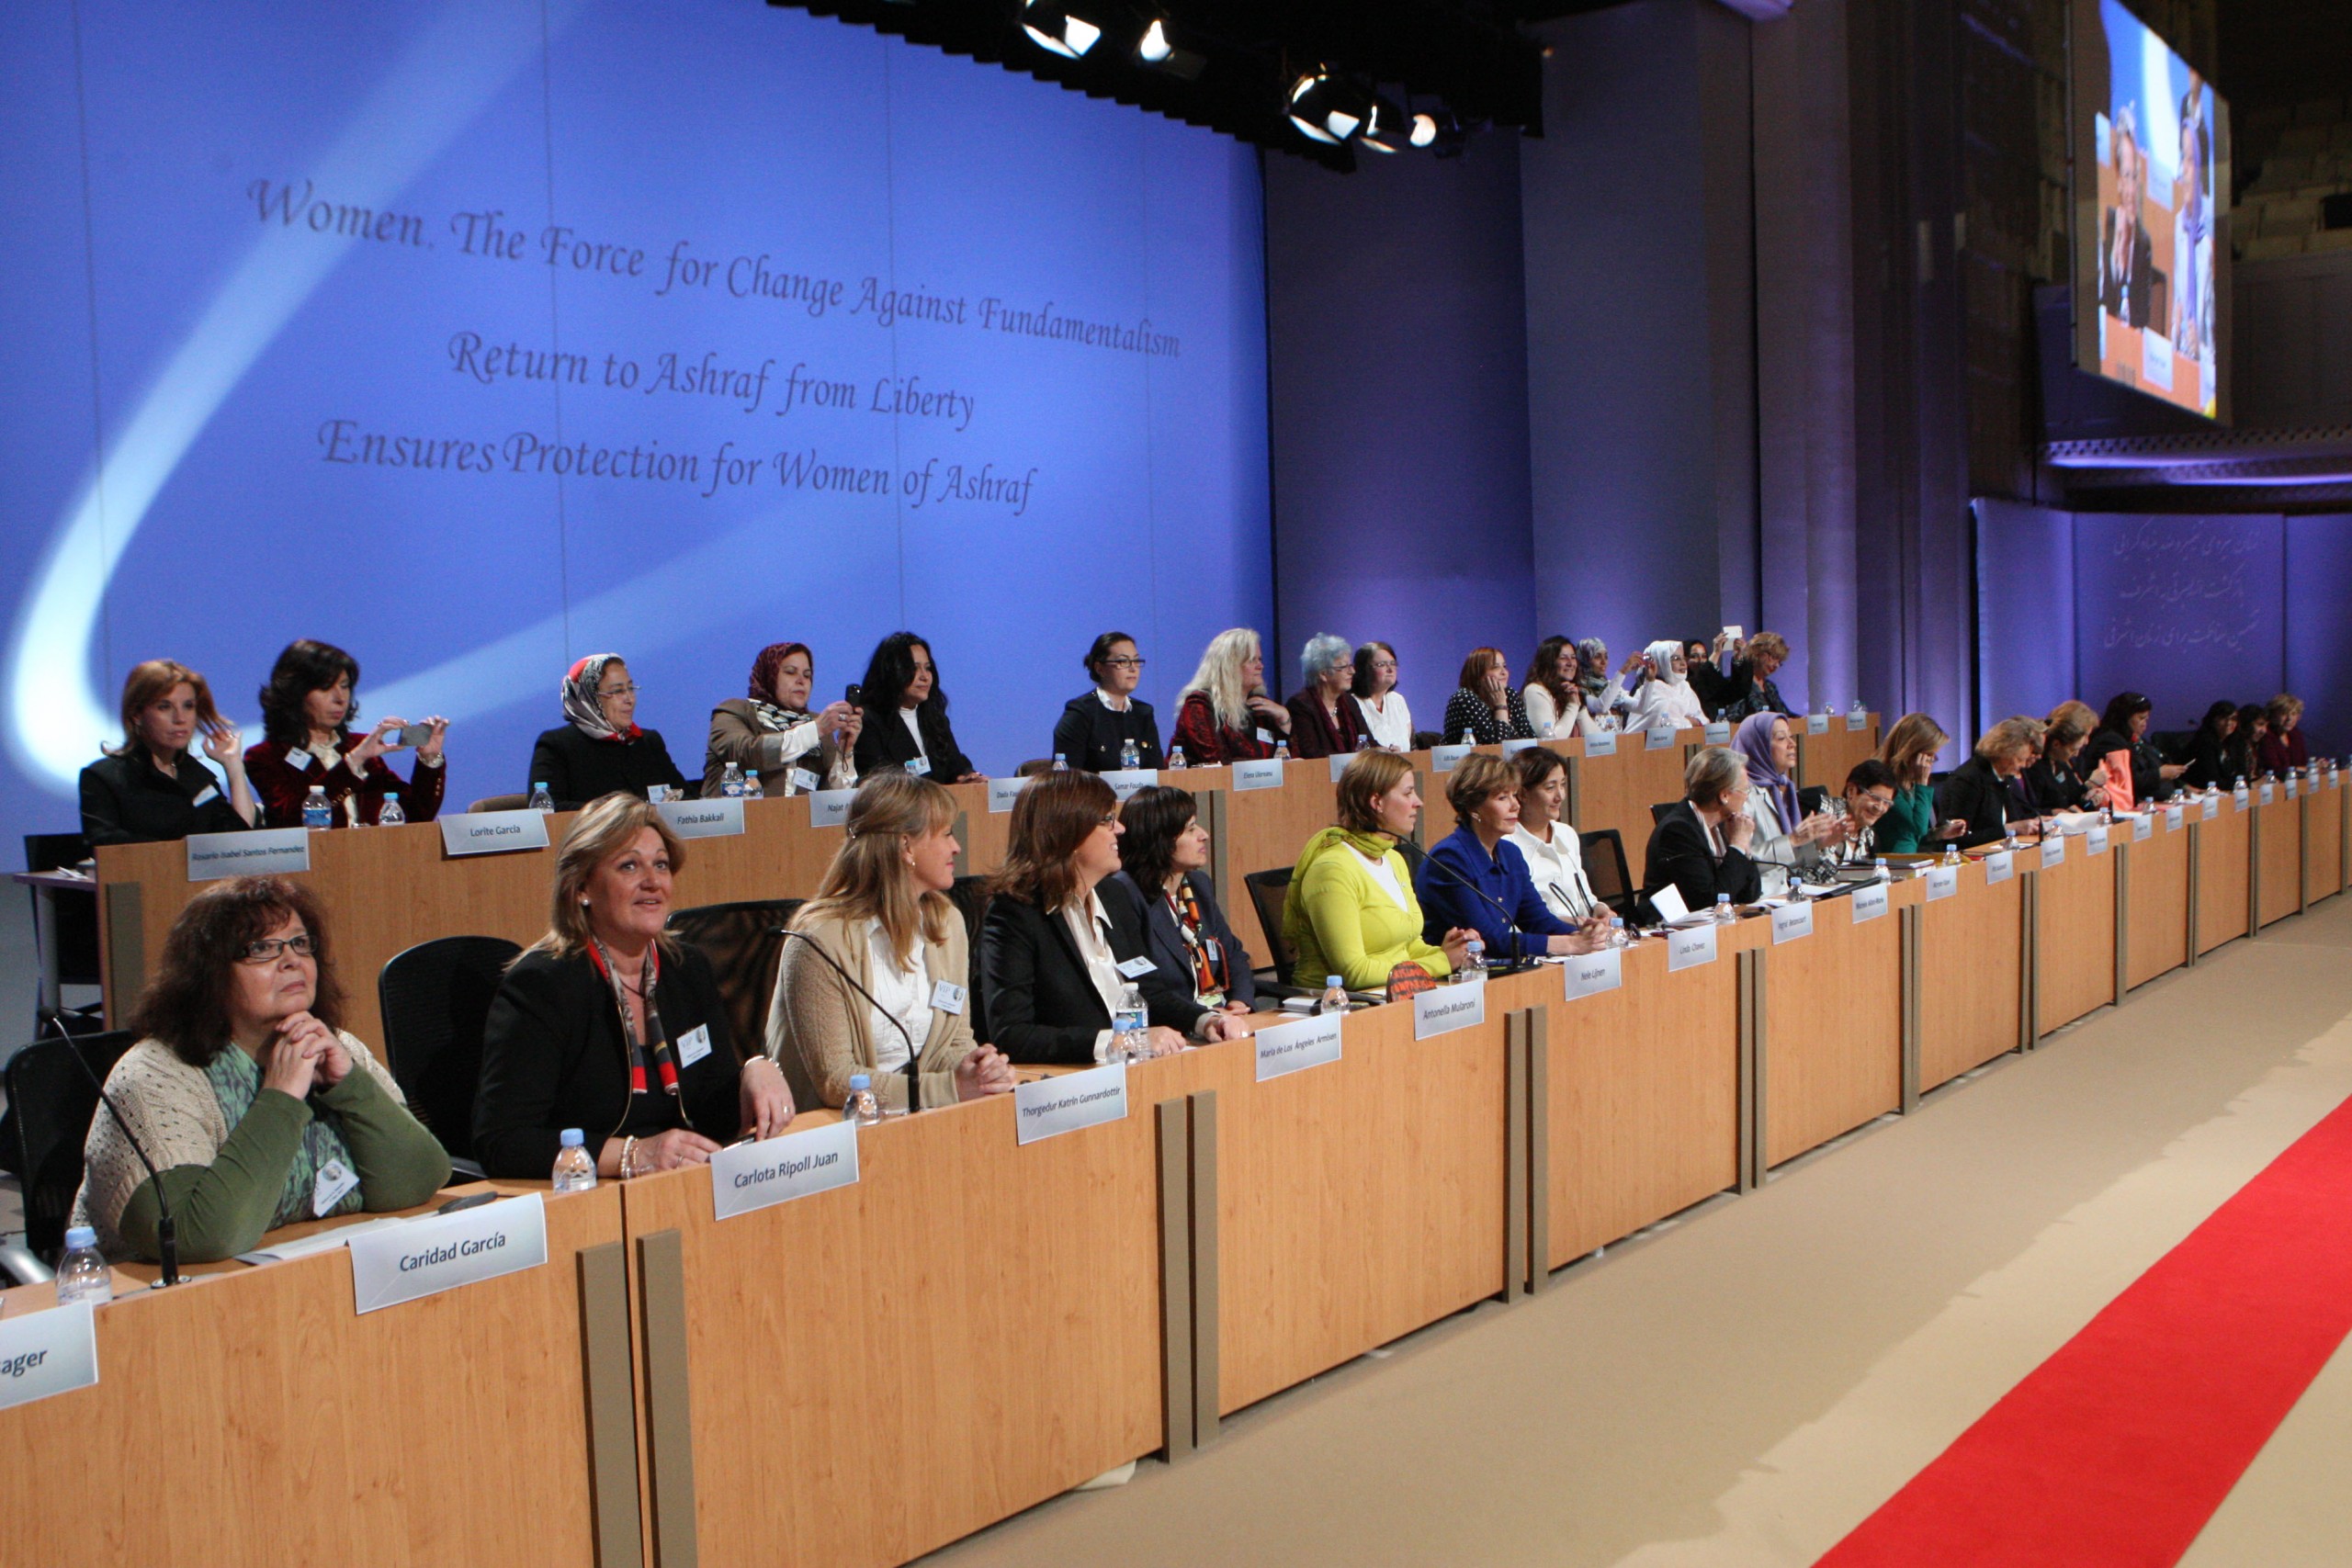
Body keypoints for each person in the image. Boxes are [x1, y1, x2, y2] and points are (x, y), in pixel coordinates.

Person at [71, 876, 449, 1261]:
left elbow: (418, 1180)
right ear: (210, 972)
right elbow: (194, 1237)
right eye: (262, 948)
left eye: (300, 944)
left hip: (312, 1280)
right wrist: (281, 1097)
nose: (292, 960)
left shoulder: (339, 1047)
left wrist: (350, 1085)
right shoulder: (155, 1076)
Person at [473, 795, 794, 1179]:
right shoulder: (543, 984)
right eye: (629, 866)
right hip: (589, 1199)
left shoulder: (686, 969)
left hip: (685, 1186)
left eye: (661, 864)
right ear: (581, 888)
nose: (653, 882)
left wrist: (754, 1071)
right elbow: (503, 1142)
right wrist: (632, 1155)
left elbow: (712, 1110)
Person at [766, 774, 1013, 1114]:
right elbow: (836, 1081)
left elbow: (952, 1040)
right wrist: (949, 1088)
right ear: (906, 846)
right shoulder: (821, 940)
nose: (956, 847)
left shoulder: (947, 924)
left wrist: (978, 1069)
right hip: (840, 1131)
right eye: (946, 834)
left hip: (925, 1114)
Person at [978, 772, 1242, 1063]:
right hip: (1071, 1083)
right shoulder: (1015, 914)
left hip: (1132, 1069)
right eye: (1106, 820)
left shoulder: (1114, 895)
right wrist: (1122, 1041)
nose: (1120, 828)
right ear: (1070, 833)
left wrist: (1206, 1020)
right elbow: (1013, 1034)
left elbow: (1147, 990)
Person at [1284, 750, 1472, 990]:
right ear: (1377, 803)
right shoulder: (1333, 870)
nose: (1419, 801)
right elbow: (1354, 973)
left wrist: (1454, 951)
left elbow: (1408, 945)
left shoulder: (1393, 858)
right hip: (1341, 1006)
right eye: (1407, 793)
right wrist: (1441, 962)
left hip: (1398, 993)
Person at [1414, 753, 1607, 962]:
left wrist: (1581, 932)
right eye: (1502, 798)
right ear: (1473, 807)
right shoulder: (1449, 859)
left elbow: (1537, 920)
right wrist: (1569, 944)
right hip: (1459, 979)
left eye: (1514, 795)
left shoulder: (1509, 854)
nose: (1515, 805)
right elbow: (1487, 939)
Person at [244, 639, 447, 829]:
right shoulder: (266, 757)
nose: (340, 698)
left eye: (344, 686)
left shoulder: (358, 745)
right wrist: (354, 761)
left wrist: (429, 761)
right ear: (295, 694)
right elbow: (292, 818)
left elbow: (417, 815)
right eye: (325, 688)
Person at [1103, 784, 1258, 1018]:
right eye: (1190, 829)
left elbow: (1234, 954)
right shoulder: (1125, 894)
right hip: (1174, 1025)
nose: (1204, 834)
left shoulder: (1198, 885)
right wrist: (1203, 1017)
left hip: (1220, 1016)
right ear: (1159, 839)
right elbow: (1145, 985)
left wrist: (1239, 1001)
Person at [81, 660, 261, 846]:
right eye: (164, 707)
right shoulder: (104, 777)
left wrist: (233, 767)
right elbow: (103, 842)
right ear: (137, 715)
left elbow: (240, 843)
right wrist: (177, 851)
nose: (180, 718)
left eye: (188, 706)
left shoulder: (196, 776)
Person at [528, 654, 692, 808]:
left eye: (630, 688)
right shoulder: (557, 745)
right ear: (588, 697)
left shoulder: (647, 742)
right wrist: (621, 813)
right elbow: (549, 809)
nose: (630, 699)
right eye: (618, 691)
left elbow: (688, 797)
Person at [705, 641, 861, 797]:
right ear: (769, 675)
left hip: (798, 820)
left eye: (807, 675)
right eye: (790, 672)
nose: (801, 680)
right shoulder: (733, 711)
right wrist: (816, 729)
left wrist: (843, 751)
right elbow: (747, 754)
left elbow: (835, 800)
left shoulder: (815, 722)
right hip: (737, 820)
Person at [1643, 746, 1763, 912]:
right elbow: (1709, 902)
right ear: (1724, 795)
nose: (1746, 796)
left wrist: (1744, 848)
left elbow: (1750, 894)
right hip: (1672, 930)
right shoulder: (1678, 831)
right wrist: (1737, 845)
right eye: (1745, 790)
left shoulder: (1724, 824)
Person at [854, 632, 982, 783]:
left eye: (927, 668)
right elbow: (878, 782)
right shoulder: (869, 722)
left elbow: (957, 767)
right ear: (892, 671)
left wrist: (967, 778)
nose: (925, 676)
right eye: (915, 668)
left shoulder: (934, 719)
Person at [1734, 713, 1840, 893]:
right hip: (1755, 899)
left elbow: (1787, 857)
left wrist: (1815, 844)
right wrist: (1794, 840)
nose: (1792, 744)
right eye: (1781, 738)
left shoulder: (1782, 788)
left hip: (1785, 892)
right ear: (1757, 747)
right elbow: (1741, 863)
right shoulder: (1742, 794)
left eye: (1790, 736)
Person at [1510, 747, 1603, 921]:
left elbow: (1585, 898)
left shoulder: (1566, 834)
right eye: (1550, 787)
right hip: (1545, 942)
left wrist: (1599, 909)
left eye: (1563, 785)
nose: (1560, 796)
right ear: (1523, 794)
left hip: (1582, 938)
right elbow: (1516, 917)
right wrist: (1565, 924)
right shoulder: (1507, 844)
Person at [1171, 627, 1292, 763]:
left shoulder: (1261, 706)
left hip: (1260, 784)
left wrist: (1284, 719)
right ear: (1230, 665)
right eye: (1252, 660)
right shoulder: (1200, 705)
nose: (1261, 666)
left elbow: (1288, 760)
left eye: (1260, 659)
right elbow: (1217, 762)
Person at [1051, 632, 1164, 773]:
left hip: (1140, 794)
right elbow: (1069, 779)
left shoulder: (1143, 713)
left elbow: (1157, 772)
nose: (1133, 668)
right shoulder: (1080, 713)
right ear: (1100, 668)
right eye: (1123, 661)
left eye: (1136, 661)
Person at [1934, 717, 2044, 848]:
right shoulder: (1968, 779)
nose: (2023, 765)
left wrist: (2035, 822)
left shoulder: (2005, 775)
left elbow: (2019, 814)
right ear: (2005, 751)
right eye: (2019, 759)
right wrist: (2008, 829)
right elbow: (1958, 839)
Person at [1876, 713, 1968, 854]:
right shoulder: (1886, 783)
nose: (1932, 762)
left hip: (1915, 859)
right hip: (1895, 863)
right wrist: (1922, 784)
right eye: (1929, 755)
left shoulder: (1910, 784)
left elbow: (1913, 833)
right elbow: (1917, 828)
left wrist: (1939, 833)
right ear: (1912, 751)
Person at [2099, 107, 2154, 330]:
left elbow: (2142, 319)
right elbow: (2098, 304)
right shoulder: (2107, 227)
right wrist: (2115, 258)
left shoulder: (2143, 243)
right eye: (2126, 176)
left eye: (2135, 177)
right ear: (2119, 182)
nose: (2131, 190)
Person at [2086, 692, 2183, 810]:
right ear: (2125, 718)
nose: (2145, 724)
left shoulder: (2134, 740)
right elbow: (2123, 780)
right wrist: (2158, 774)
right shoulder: (2110, 741)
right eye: (2141, 718)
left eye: (2147, 718)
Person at [1283, 633, 1366, 758]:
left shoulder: (1349, 702)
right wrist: (1353, 761)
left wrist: (1384, 750)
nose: (1352, 672)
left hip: (1354, 774)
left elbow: (1367, 741)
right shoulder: (1300, 705)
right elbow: (1311, 753)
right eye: (1344, 667)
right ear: (1323, 674)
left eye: (1351, 666)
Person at [2021, 700, 2109, 814]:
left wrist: (2089, 797)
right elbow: (2026, 813)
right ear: (2056, 744)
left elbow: (2074, 803)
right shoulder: (2033, 767)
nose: (2087, 742)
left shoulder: (2062, 764)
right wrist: (2053, 813)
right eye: (2073, 750)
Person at [1442, 648, 1535, 744]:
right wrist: (1501, 706)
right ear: (1478, 675)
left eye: (1504, 666)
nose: (1504, 672)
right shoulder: (1464, 698)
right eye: (1495, 667)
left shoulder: (1510, 694)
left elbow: (1530, 738)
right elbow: (1495, 746)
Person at [1829, 759, 1899, 865]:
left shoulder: (1870, 838)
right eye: (1875, 798)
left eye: (1886, 803)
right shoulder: (1822, 812)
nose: (1880, 808)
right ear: (1851, 791)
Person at [1623, 641, 1706, 731]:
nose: (1683, 663)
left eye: (1683, 658)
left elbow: (1703, 721)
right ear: (1660, 662)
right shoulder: (1651, 689)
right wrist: (1691, 721)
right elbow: (1668, 727)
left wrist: (1688, 721)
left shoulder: (1684, 687)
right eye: (1676, 658)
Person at [1521, 636, 1591, 739]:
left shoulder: (1570, 693)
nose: (1570, 663)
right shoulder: (1535, 691)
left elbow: (1597, 742)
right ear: (1549, 662)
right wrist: (1572, 706)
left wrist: (1579, 705)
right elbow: (1553, 740)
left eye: (1573, 657)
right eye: (1563, 658)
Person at [1718, 632, 1796, 724]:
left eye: (1780, 662)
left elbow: (1786, 714)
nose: (1776, 665)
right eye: (1774, 658)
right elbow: (1733, 718)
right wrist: (1771, 721)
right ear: (1758, 653)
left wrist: (1803, 719)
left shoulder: (1770, 687)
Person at [1350, 641, 1414, 750]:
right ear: (1364, 670)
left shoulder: (1397, 700)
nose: (1390, 669)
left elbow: (1410, 745)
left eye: (1393, 663)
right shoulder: (1351, 703)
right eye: (1382, 665)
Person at [1573, 638, 1641, 727]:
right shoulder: (1579, 690)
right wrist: (1623, 671)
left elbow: (1640, 708)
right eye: (1597, 657)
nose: (1604, 662)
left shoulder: (1610, 687)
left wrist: (1649, 679)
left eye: (1606, 657)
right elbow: (1601, 707)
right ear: (1585, 660)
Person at [2182, 701, 2241, 791]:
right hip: (2202, 792)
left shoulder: (2233, 742)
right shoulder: (2204, 742)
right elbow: (2213, 780)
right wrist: (2238, 785)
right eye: (2223, 718)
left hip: (2225, 791)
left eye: (2233, 719)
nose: (2229, 723)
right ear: (2213, 720)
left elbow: (2241, 773)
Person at [2258, 694, 2310, 776]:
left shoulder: (2296, 734)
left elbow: (2303, 763)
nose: (2289, 718)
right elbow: (2275, 770)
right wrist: (2305, 769)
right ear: (2273, 715)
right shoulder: (2266, 735)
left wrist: (2315, 766)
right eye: (2284, 714)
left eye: (2293, 714)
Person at [2228, 704, 2268, 790]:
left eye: (2266, 726)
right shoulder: (2235, 745)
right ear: (2247, 724)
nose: (2264, 731)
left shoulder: (2257, 744)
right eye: (2260, 725)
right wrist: (2254, 784)